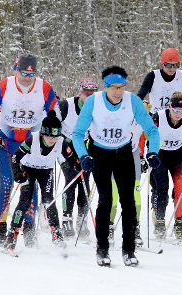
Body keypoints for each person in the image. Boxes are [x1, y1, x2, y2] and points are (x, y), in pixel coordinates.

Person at [72, 66, 161, 266]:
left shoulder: (133, 101)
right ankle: (102, 249)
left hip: (124, 153)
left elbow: (152, 131)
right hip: (100, 154)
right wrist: (84, 155)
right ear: (105, 87)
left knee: (128, 202)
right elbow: (77, 134)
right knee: (106, 199)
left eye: (122, 87)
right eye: (113, 87)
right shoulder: (93, 102)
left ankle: (129, 250)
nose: (118, 92)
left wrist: (153, 151)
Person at [0, 53, 58, 246]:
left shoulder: (44, 87)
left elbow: (56, 114)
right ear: (15, 69)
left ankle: (29, 228)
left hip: (31, 146)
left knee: (29, 187)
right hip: (6, 143)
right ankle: (1, 227)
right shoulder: (4, 85)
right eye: (22, 73)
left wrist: (50, 133)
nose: (26, 78)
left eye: (31, 75)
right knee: (6, 184)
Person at [5, 111, 75, 251]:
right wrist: (17, 172)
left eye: (55, 137)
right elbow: (15, 156)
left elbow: (73, 158)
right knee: (24, 202)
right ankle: (12, 235)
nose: (52, 140)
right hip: (28, 170)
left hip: (46, 171)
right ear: (43, 133)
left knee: (49, 201)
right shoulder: (33, 139)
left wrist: (81, 164)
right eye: (49, 136)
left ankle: (56, 234)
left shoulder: (61, 142)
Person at [56, 78, 98, 238]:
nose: (89, 97)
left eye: (93, 94)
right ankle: (66, 219)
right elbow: (54, 126)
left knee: (84, 181)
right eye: (86, 94)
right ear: (80, 92)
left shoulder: (98, 109)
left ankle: (82, 218)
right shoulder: (66, 105)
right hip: (63, 146)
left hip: (84, 147)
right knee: (70, 178)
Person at [150, 93, 182, 240]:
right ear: (169, 107)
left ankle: (179, 223)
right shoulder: (158, 116)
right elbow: (149, 134)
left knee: (181, 187)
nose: (178, 114)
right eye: (175, 110)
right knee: (162, 187)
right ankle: (160, 221)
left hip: (178, 154)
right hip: (160, 154)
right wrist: (150, 155)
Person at [136, 48, 182, 113]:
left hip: (178, 119)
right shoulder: (153, 76)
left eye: (176, 65)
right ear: (162, 64)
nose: (172, 68)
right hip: (157, 119)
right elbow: (139, 97)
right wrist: (141, 106)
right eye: (168, 65)